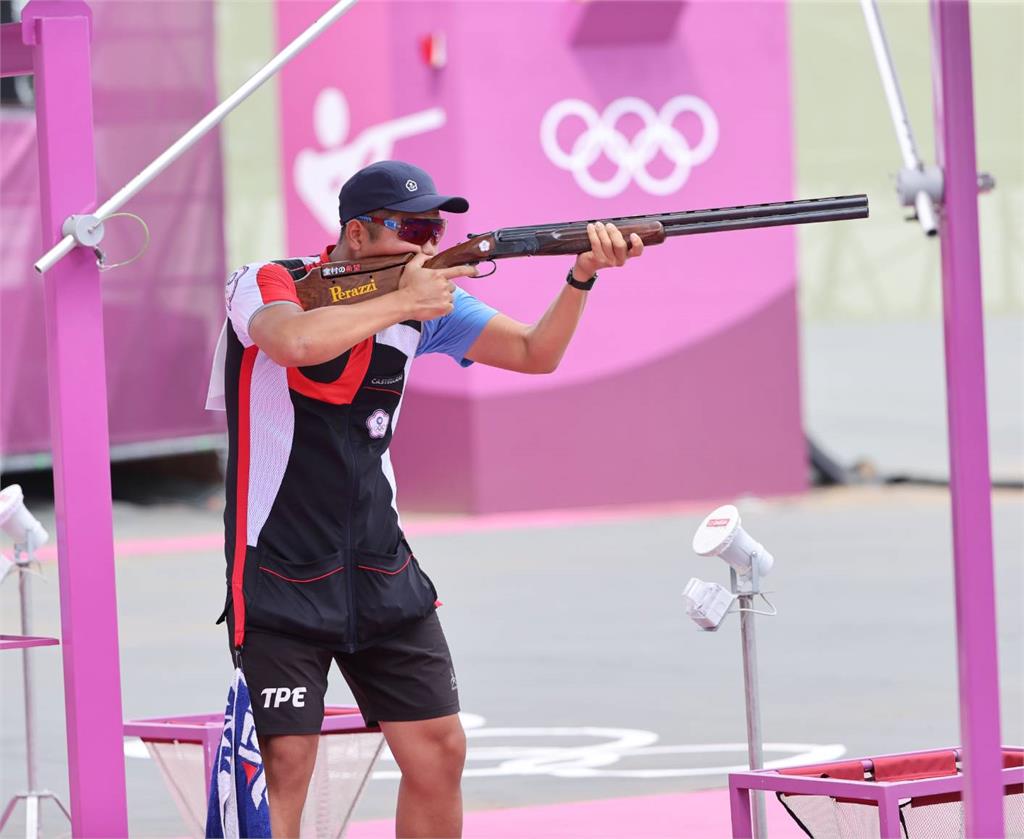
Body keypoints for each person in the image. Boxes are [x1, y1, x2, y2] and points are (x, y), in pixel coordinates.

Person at [210, 160, 644, 838]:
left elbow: (536, 352)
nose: (429, 242)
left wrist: (581, 273)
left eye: (436, 228)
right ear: (355, 234)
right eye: (411, 227)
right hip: (279, 571)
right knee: (285, 763)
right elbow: (290, 341)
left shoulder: (427, 303)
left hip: (381, 567)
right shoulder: (268, 281)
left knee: (439, 749)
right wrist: (404, 302)